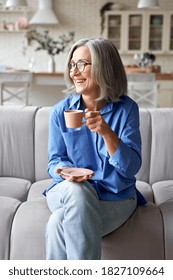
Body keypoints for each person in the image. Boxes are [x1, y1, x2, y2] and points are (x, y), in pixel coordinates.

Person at [44, 38, 146, 260]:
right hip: (66, 191)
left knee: (56, 224)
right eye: (72, 64)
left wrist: (106, 132)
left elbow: (130, 169)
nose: (74, 72)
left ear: (104, 67)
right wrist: (65, 172)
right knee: (78, 190)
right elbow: (54, 162)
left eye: (82, 64)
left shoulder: (127, 109)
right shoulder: (59, 111)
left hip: (115, 197)